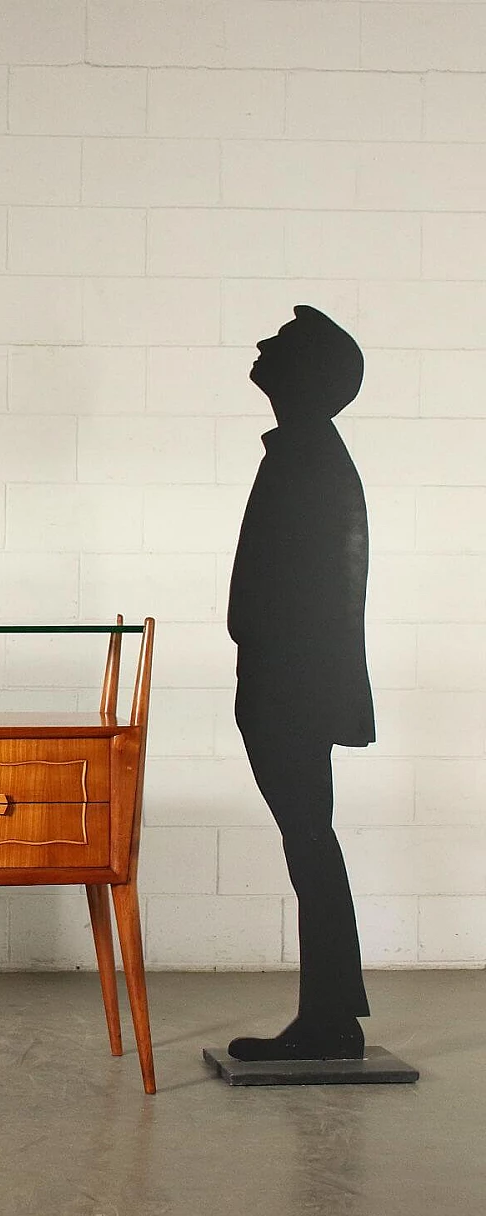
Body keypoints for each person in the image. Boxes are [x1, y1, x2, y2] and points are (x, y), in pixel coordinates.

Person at [226, 305, 373, 1061]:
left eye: (280, 344)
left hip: (292, 688)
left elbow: (323, 595)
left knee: (310, 839)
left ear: (306, 375)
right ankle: (332, 1013)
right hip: (286, 684)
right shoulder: (306, 453)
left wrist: (287, 684)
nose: (261, 345)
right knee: (310, 839)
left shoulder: (310, 459)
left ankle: (330, 1020)